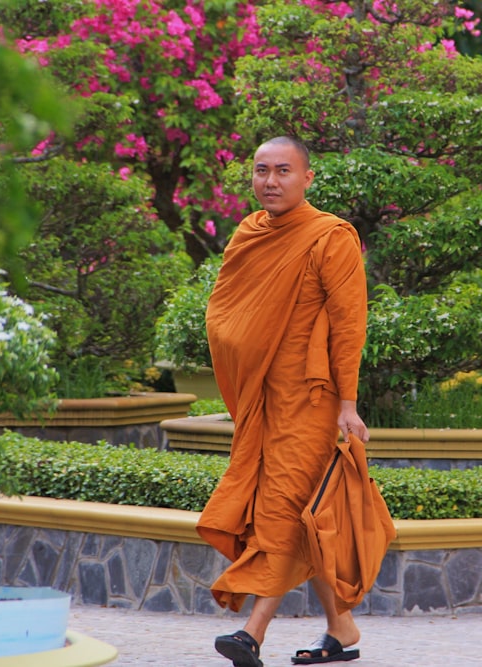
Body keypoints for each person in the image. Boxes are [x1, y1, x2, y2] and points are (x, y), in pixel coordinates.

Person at [197, 136, 372, 666]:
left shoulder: (330, 237)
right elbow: (227, 314)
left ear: (308, 178)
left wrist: (348, 403)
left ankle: (252, 633)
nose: (270, 181)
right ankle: (341, 629)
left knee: (283, 510)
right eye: (261, 171)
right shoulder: (249, 234)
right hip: (264, 401)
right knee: (303, 518)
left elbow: (348, 326)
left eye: (283, 171)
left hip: (313, 401)